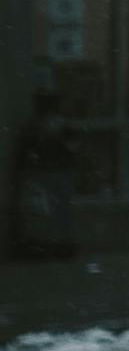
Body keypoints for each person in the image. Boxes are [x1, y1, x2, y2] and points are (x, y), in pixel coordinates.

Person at [7, 91, 76, 260]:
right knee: (47, 214)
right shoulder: (56, 127)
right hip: (49, 176)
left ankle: (45, 246)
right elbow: (70, 150)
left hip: (44, 177)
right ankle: (50, 246)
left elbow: (23, 156)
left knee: (41, 214)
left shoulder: (35, 128)